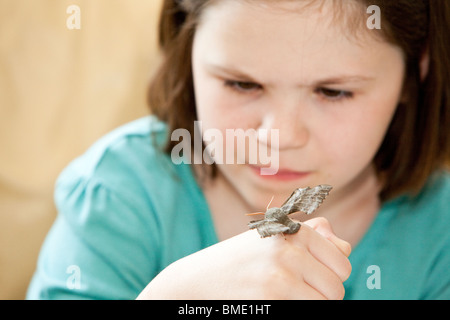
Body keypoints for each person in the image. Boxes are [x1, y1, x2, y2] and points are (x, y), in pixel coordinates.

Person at [27, 0, 449, 300]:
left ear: (419, 68)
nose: (278, 137)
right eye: (242, 84)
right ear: (185, 49)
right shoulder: (118, 195)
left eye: (333, 92)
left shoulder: (439, 234)